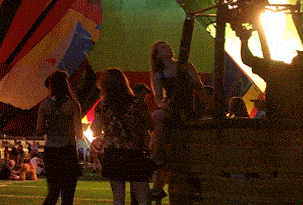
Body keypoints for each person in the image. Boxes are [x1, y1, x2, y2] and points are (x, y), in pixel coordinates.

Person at [92, 68, 155, 205]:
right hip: (134, 154)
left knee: (118, 198)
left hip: (113, 155)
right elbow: (150, 125)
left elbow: (95, 130)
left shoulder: (102, 106)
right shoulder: (137, 103)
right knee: (143, 197)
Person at [149, 40, 201, 203]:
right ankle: (156, 154)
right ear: (157, 55)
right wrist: (166, 104)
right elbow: (158, 98)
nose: (168, 48)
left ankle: (156, 155)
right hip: (172, 107)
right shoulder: (159, 74)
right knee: (157, 116)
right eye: (163, 47)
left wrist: (187, 79)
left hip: (188, 105)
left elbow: (198, 85)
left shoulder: (186, 66)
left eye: (168, 46)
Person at [235, 25, 303, 120]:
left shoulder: (280, 70)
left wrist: (244, 40)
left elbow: (247, 59)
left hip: (277, 128)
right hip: (302, 130)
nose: (296, 55)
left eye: (299, 55)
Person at [35, 70, 82, 205]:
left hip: (51, 151)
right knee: (68, 195)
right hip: (67, 150)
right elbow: (78, 132)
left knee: (53, 193)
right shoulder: (72, 105)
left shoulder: (45, 105)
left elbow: (40, 130)